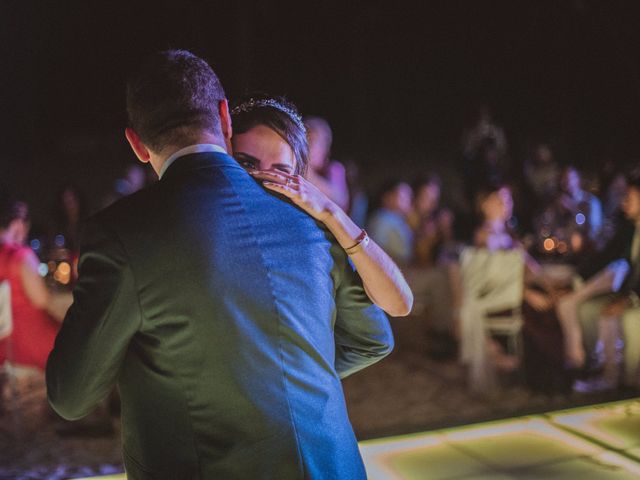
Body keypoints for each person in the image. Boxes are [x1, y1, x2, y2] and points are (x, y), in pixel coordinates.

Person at [46, 50, 393, 480]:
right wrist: (271, 375)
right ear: (225, 120)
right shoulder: (309, 218)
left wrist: (232, 378)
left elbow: (71, 395)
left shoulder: (120, 235)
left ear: (136, 143)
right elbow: (372, 338)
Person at [231, 95, 412, 317]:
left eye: (280, 171)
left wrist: (329, 211)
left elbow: (399, 304)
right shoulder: (202, 221)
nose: (262, 179)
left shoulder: (312, 238)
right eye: (246, 163)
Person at [557, 173, 640, 390]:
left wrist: (630, 299)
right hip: (629, 292)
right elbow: (604, 257)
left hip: (635, 295)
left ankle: (624, 380)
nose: (624, 203)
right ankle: (596, 366)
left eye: (629, 197)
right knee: (586, 308)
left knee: (615, 315)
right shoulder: (630, 229)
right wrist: (576, 279)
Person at [0, 194, 68, 371]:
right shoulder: (20, 255)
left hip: (5, 347)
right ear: (17, 224)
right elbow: (42, 300)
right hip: (31, 341)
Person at [304, 116, 350, 211]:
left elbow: (341, 201)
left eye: (312, 142)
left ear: (325, 147)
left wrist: (308, 172)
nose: (307, 147)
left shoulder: (334, 169)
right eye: (304, 140)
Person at [367, 180, 414, 265]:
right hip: (389, 268)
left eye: (409, 197)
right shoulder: (382, 219)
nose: (407, 201)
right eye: (402, 197)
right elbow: (376, 248)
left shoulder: (400, 220)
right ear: (387, 197)